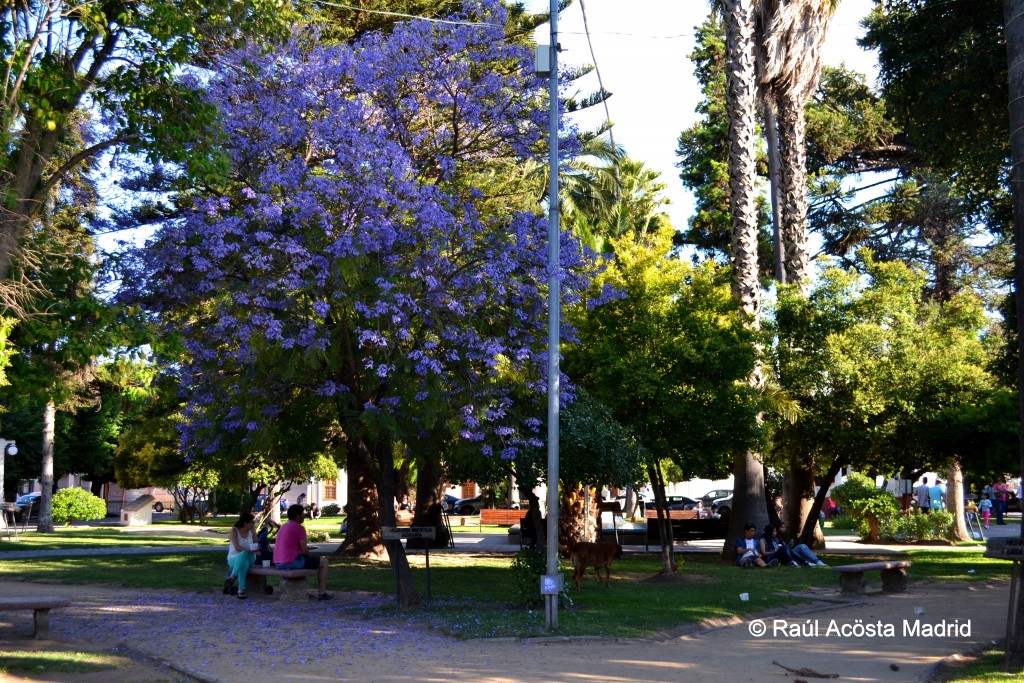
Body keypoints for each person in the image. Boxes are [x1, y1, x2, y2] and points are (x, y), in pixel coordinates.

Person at [274, 504, 333, 600]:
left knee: (309, 561)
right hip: (289, 563)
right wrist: (309, 556)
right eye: (302, 514)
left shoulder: (284, 526)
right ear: (297, 515)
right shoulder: (299, 528)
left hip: (278, 562)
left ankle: (303, 591)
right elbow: (304, 550)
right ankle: (322, 593)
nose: (304, 516)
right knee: (324, 561)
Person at [225, 512, 260, 599]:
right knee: (244, 563)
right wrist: (248, 550)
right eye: (252, 522)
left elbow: (256, 544)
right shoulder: (234, 531)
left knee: (245, 555)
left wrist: (256, 550)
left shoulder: (252, 531)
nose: (254, 524)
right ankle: (241, 590)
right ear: (245, 523)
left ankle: (232, 576)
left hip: (251, 556)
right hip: (234, 558)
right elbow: (237, 547)